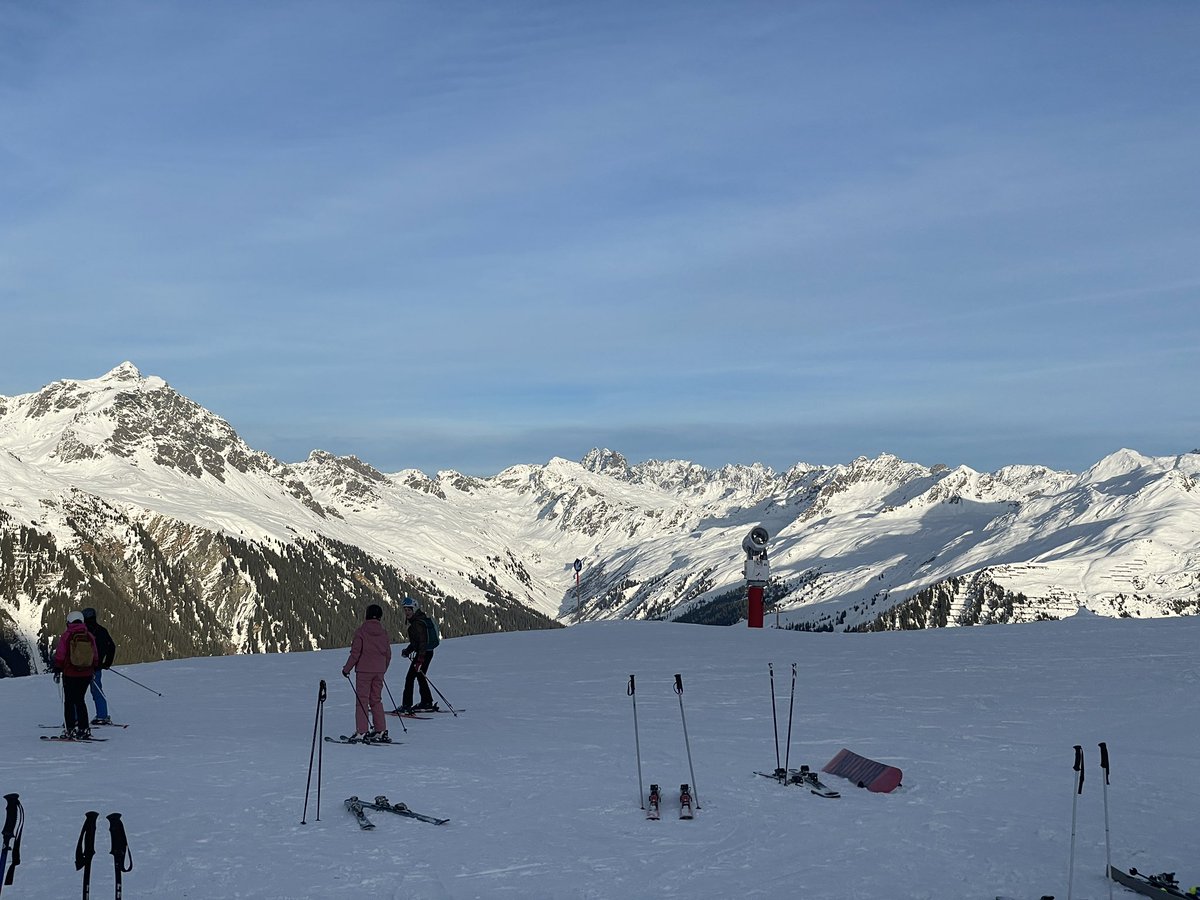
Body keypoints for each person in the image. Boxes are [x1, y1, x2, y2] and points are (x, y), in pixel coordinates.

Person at [341, 603, 392, 742]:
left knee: (362, 701)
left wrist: (346, 669)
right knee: (376, 700)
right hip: (379, 671)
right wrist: (382, 669)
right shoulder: (383, 633)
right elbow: (388, 654)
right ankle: (380, 730)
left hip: (364, 671)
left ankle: (362, 731)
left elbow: (355, 653)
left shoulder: (361, 632)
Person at [52, 610, 99, 739]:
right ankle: (84, 729)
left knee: (69, 702)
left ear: (69, 622)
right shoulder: (89, 635)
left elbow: (60, 654)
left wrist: (57, 668)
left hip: (70, 673)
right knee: (80, 701)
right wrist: (94, 667)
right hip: (86, 674)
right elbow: (95, 654)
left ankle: (70, 729)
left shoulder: (67, 635)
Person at [82, 607, 117, 725]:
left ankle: (75, 718)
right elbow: (111, 647)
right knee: (97, 692)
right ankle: (102, 716)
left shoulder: (80, 632)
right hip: (96, 668)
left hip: (81, 667)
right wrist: (107, 663)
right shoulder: (102, 630)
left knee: (77, 694)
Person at [400, 596, 436, 713]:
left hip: (423, 654)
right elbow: (417, 642)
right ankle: (426, 702)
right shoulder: (419, 620)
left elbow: (422, 642)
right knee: (420, 676)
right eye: (405, 610)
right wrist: (408, 651)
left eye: (409, 610)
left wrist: (420, 660)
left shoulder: (417, 624)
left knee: (410, 677)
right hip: (427, 652)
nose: (407, 612)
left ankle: (406, 705)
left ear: (414, 610)